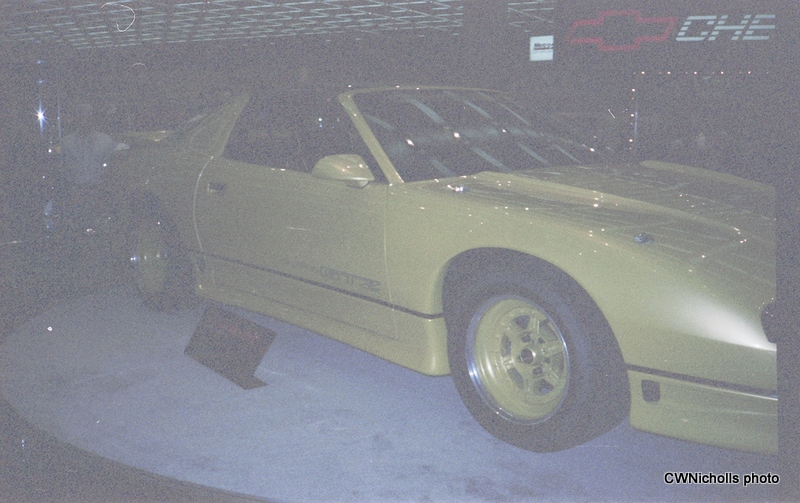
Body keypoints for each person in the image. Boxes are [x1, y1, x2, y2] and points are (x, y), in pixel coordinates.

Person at [60, 102, 127, 234]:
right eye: (81, 116)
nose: (84, 119)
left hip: (98, 194)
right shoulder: (66, 142)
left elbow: (122, 151)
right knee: (77, 230)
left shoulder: (105, 140)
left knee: (99, 230)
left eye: (87, 116)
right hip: (75, 194)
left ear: (92, 118)